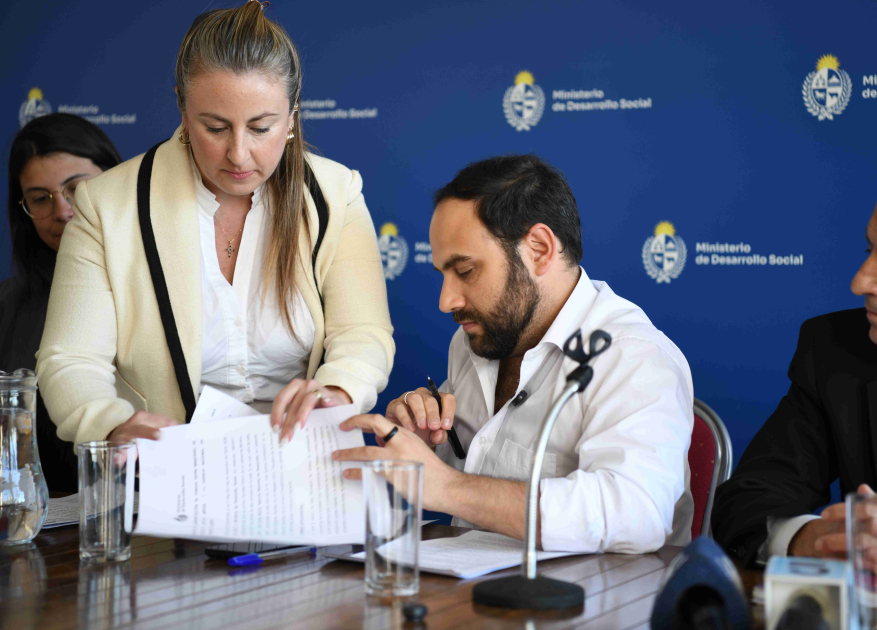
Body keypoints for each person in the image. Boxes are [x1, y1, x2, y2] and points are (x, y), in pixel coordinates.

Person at [36, 0, 394, 447]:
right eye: (216, 128)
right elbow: (70, 359)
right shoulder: (106, 206)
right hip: (167, 478)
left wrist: (338, 388)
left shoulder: (336, 194)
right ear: (183, 111)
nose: (239, 154)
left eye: (261, 127)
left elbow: (364, 333)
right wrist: (111, 425)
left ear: (292, 114)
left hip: (305, 470)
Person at [333, 155, 694, 554]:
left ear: (539, 249)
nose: (446, 301)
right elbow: (466, 472)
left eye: (466, 271)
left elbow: (636, 514)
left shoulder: (634, 357)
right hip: (470, 599)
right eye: (443, 275)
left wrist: (447, 486)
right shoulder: (476, 339)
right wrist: (428, 437)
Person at [712, 145, 877, 585]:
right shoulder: (840, 351)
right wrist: (818, 539)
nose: (861, 281)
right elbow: (747, 500)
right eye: (870, 250)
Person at [1, 113, 121, 492]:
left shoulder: (171, 284)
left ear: (115, 178)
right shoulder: (7, 307)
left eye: (77, 188)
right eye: (40, 198)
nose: (64, 211)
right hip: (46, 527)